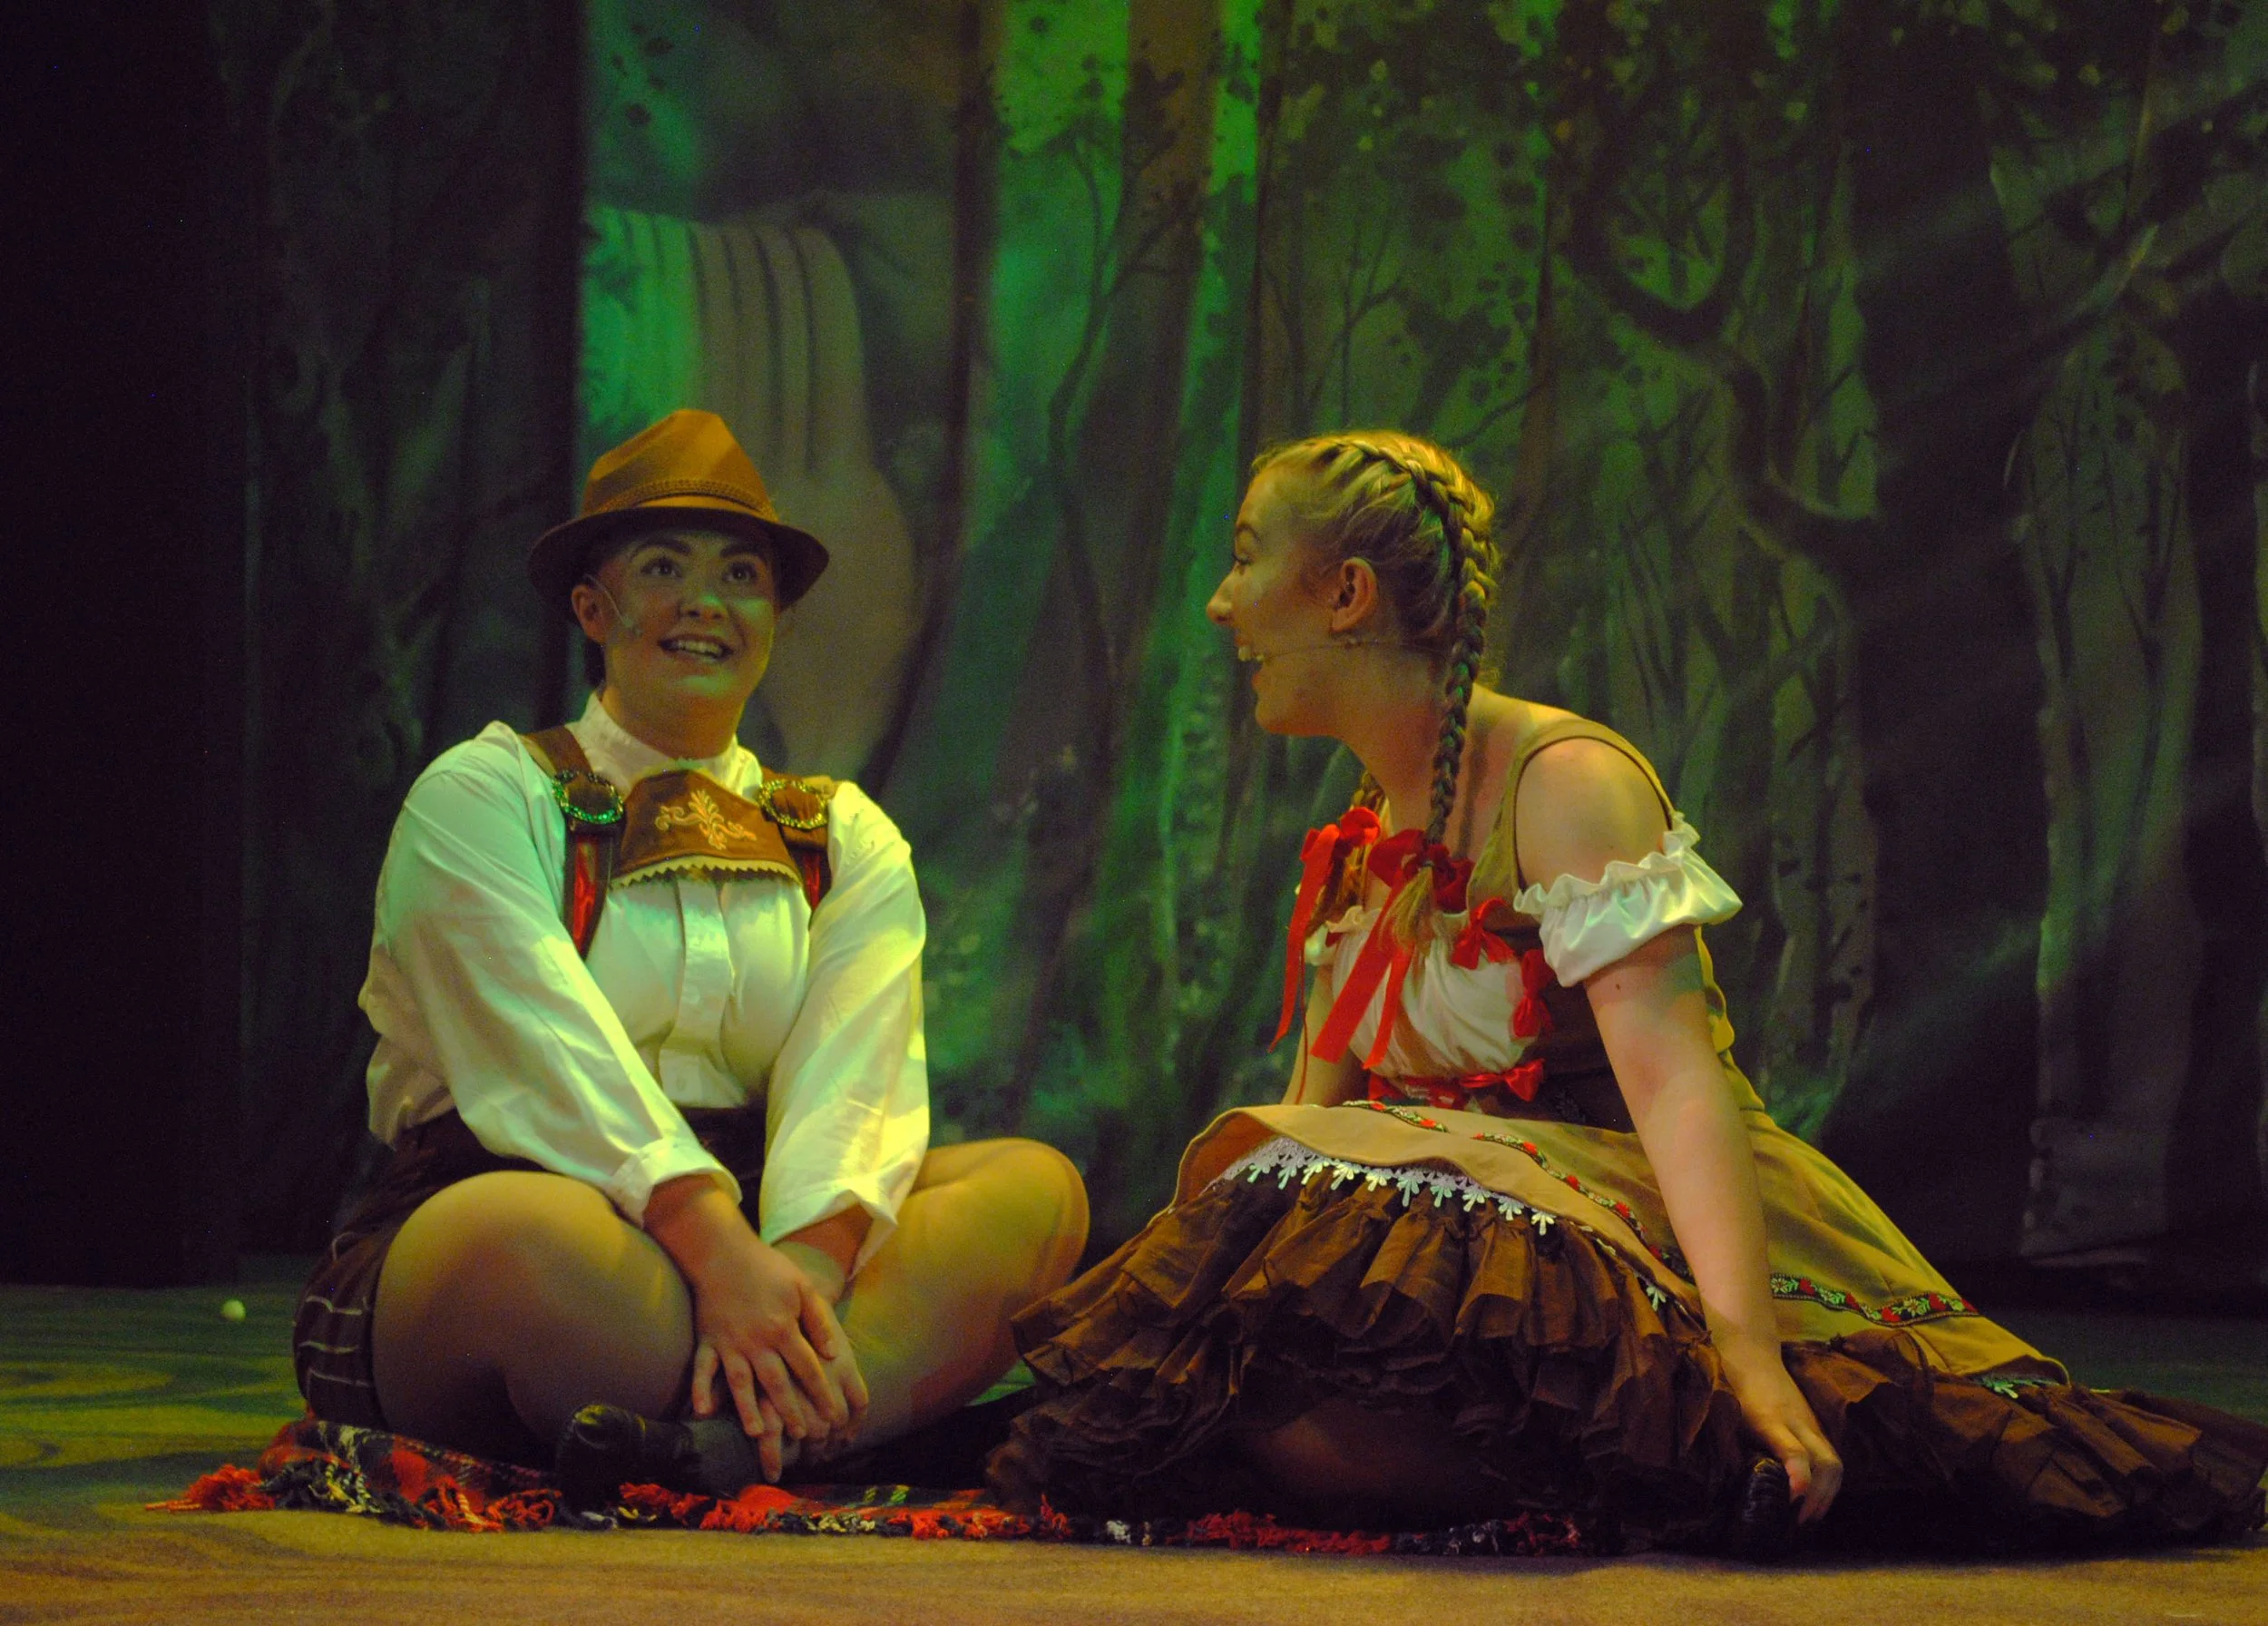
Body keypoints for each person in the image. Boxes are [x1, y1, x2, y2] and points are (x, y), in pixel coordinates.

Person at [987, 430, 2268, 1553]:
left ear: (1343, 592)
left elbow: (1671, 1077)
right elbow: (1308, 1122)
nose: (1219, 604)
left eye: (1245, 555)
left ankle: (1698, 1435)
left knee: (1358, 1430)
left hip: (1625, 1215)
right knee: (1274, 1399)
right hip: (1481, 1235)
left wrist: (1747, 1350)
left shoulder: (1563, 783)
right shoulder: (1364, 835)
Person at [293, 410, 1088, 1499]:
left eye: (741, 574)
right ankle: (869, 1419)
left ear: (772, 621)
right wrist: (713, 1255)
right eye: (662, 566)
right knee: (536, 1238)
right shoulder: (485, 795)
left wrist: (793, 1274)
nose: (704, 601)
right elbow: (540, 1046)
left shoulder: (841, 833)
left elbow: (855, 1083)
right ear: (593, 608)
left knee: (1030, 1190)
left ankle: (710, 1445)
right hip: (538, 1219)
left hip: (768, 1252)